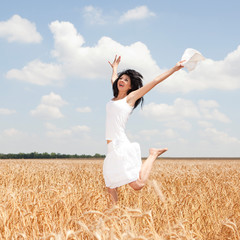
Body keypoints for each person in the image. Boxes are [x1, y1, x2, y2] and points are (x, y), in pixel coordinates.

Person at [103, 55, 184, 203]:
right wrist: (115, 68)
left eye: (126, 80)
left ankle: (153, 154)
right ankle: (113, 219)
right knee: (110, 185)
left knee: (138, 184)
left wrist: (175, 68)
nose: (122, 80)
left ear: (131, 86)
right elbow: (114, 79)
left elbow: (154, 82)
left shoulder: (130, 98)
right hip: (110, 147)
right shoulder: (115, 97)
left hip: (120, 143)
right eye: (121, 78)